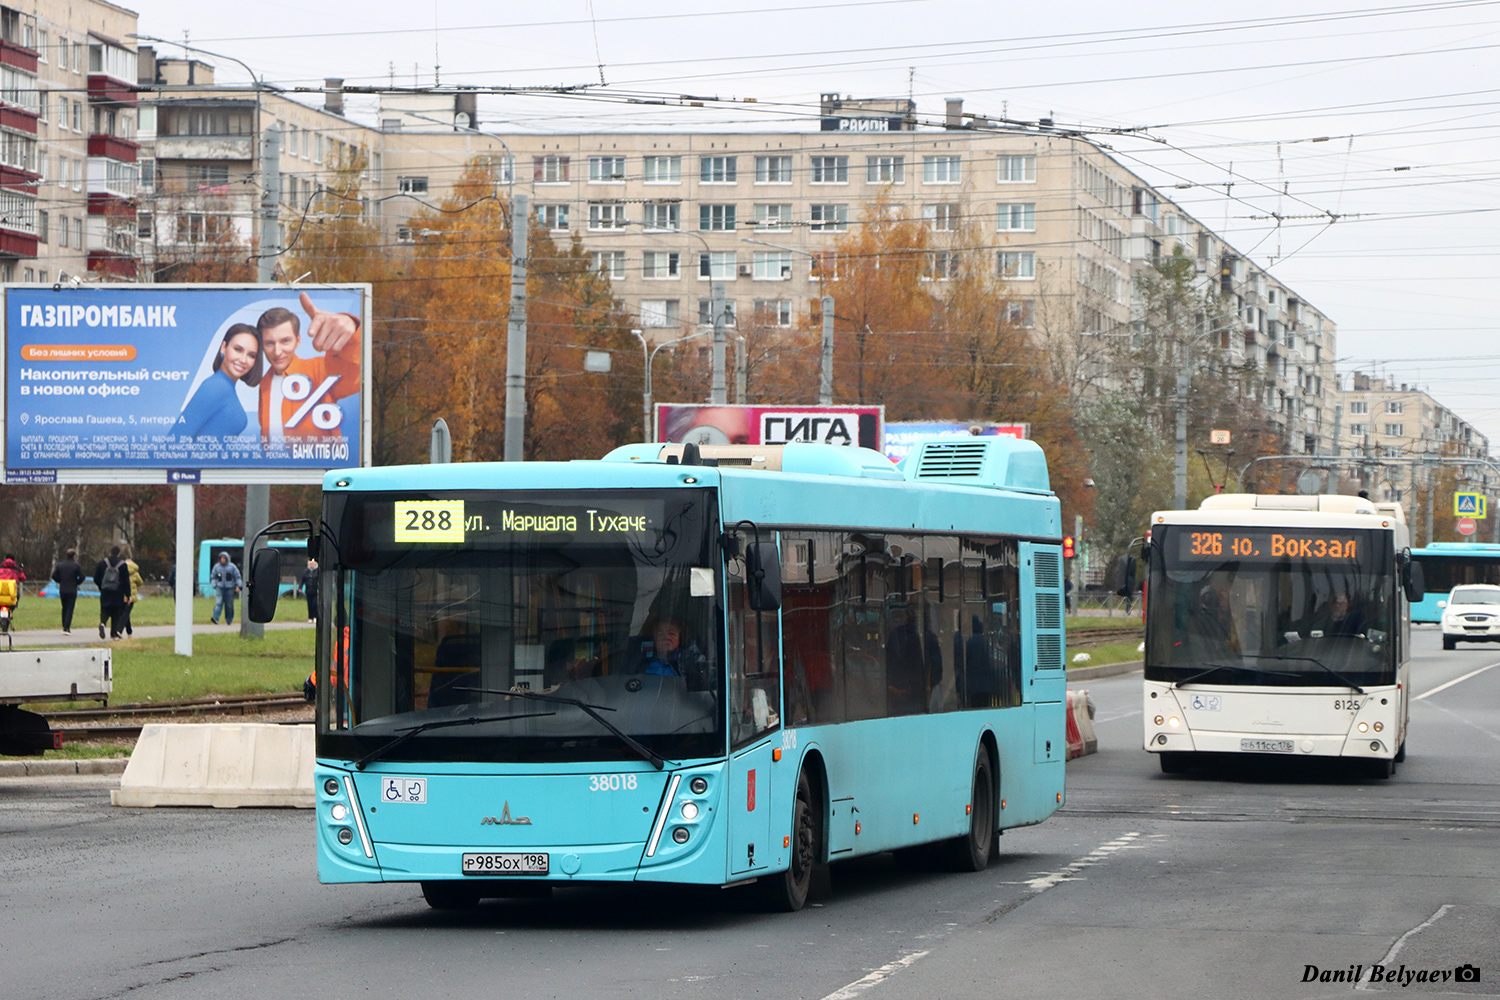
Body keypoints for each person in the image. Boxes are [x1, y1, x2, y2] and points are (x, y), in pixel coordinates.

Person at [257, 293, 361, 447]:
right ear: (262, 345)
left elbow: (356, 373)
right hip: (274, 462)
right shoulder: (265, 383)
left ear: (298, 341)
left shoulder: (319, 369)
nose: (277, 352)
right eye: (270, 343)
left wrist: (352, 327)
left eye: (285, 341)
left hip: (319, 462)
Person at [177, 324, 263, 439]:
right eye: (238, 349)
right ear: (223, 347)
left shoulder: (224, 388)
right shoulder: (216, 387)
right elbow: (175, 438)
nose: (243, 360)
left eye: (251, 355)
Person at [632, 618, 706, 677]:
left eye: (672, 633)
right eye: (660, 634)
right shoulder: (639, 658)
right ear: (653, 638)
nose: (666, 637)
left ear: (679, 638)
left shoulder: (690, 659)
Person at [94, 546, 131, 640]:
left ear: (110, 553)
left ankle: (103, 623)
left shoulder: (102, 563)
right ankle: (113, 634)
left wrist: (101, 587)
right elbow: (126, 581)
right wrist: (128, 594)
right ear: (119, 554)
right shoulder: (123, 565)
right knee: (116, 613)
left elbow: (96, 578)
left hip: (105, 591)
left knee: (104, 609)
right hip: (118, 592)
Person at [51, 547, 84, 634]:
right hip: (72, 589)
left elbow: (54, 576)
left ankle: (64, 624)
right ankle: (67, 627)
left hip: (63, 589)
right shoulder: (76, 566)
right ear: (74, 556)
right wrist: (76, 582)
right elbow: (82, 576)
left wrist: (60, 581)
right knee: (70, 608)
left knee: (64, 607)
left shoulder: (60, 565)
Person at [209, 552, 242, 626]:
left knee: (229, 605)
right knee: (218, 603)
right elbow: (213, 577)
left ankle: (229, 619)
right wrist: (214, 584)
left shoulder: (232, 567)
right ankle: (215, 618)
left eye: (224, 558)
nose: (222, 559)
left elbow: (237, 577)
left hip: (229, 588)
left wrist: (239, 586)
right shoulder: (216, 567)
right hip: (219, 588)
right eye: (221, 558)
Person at [0, 554, 26, 628]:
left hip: (0, 592)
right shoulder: (17, 569)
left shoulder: (0, 568)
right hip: (11, 593)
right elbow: (23, 578)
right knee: (17, 597)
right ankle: (11, 610)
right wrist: (21, 570)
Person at [122, 555, 144, 637]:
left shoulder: (121, 570)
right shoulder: (135, 573)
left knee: (124, 614)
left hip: (122, 595)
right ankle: (128, 632)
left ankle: (128, 631)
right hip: (131, 596)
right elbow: (140, 583)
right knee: (126, 614)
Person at [300, 557, 319, 623]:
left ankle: (315, 617)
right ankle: (310, 617)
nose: (311, 565)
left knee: (314, 604)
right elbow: (302, 580)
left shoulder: (317, 572)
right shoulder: (306, 572)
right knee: (310, 605)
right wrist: (300, 588)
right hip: (308, 591)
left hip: (316, 591)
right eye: (310, 564)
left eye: (312, 564)